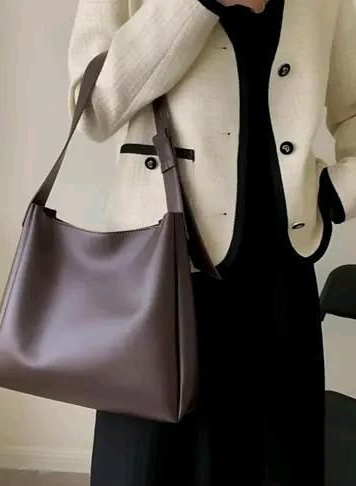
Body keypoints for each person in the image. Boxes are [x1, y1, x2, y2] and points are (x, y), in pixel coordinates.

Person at [67, 0, 356, 484]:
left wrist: (334, 194)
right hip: (164, 267)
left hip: (280, 275)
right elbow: (93, 106)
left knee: (275, 461)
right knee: (149, 465)